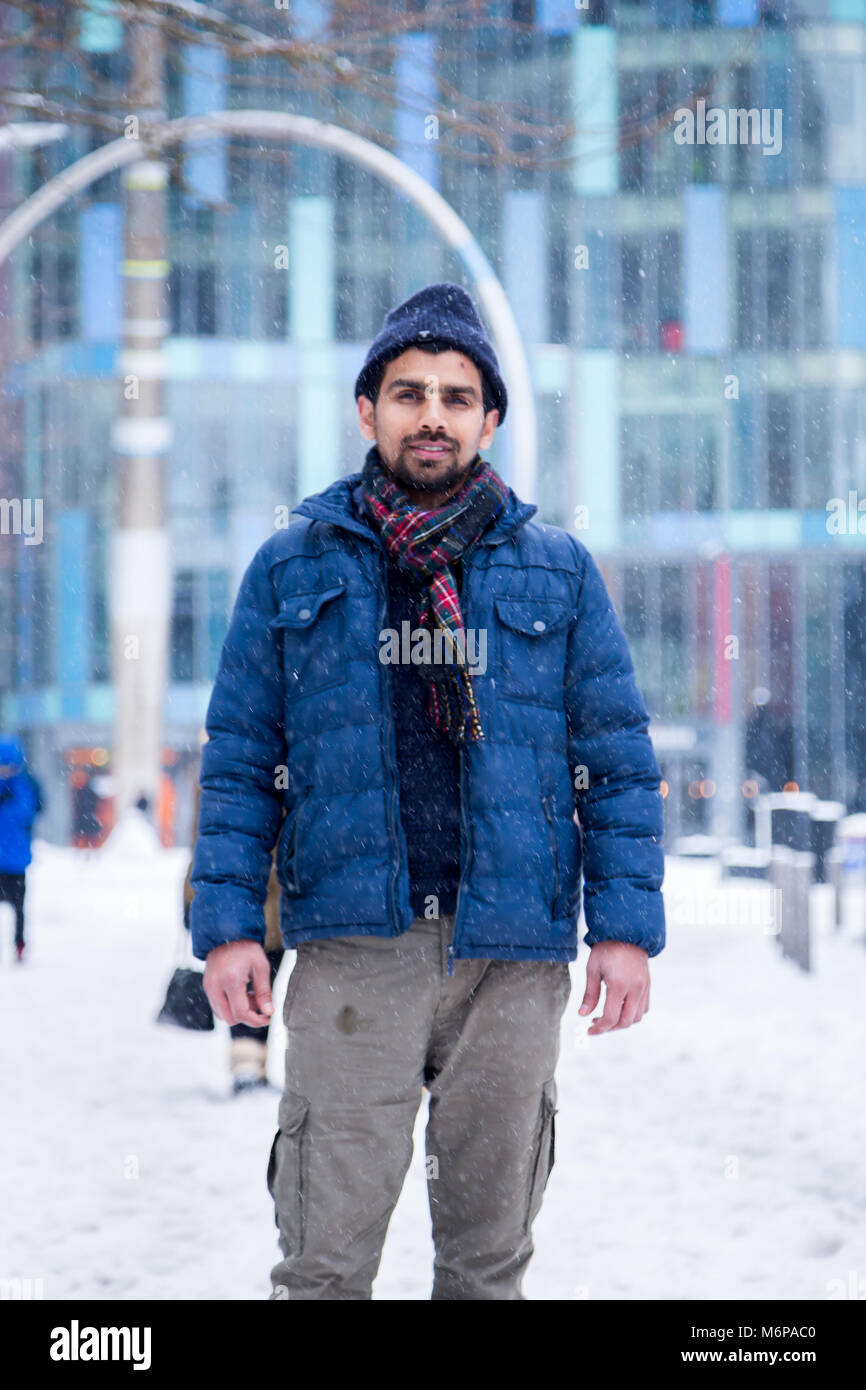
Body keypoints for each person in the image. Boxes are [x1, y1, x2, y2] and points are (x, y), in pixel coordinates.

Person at [190, 282, 665, 1300]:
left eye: (457, 396)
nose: (432, 416)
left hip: (512, 958)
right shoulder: (289, 569)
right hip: (357, 953)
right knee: (321, 1262)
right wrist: (229, 924)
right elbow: (238, 758)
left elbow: (615, 761)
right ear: (368, 411)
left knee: (488, 1265)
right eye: (408, 393)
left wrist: (623, 928)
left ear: (488, 419)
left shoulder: (558, 572)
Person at [183, 782, 285, 1094]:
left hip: (259, 896)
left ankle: (250, 1063)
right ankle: (247, 1065)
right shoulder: (233, 782)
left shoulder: (216, 783)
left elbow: (203, 841)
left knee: (255, 982)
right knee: (251, 983)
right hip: (253, 897)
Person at [0, 737, 42, 963]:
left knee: (18, 907)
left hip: (16, 861)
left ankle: (19, 944)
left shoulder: (23, 786)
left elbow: (26, 812)